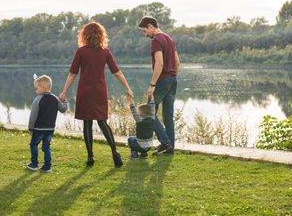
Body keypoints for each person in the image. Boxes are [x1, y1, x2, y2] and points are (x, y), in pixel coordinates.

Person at [59, 22, 134, 168]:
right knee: (102, 121)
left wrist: (64, 92)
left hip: (85, 92)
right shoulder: (105, 52)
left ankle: (90, 157)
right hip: (100, 91)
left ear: (84, 35)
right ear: (101, 35)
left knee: (87, 123)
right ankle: (115, 153)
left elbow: (72, 74)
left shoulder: (81, 52)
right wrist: (128, 88)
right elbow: (117, 72)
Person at [138, 16, 180, 155]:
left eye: (145, 31)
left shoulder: (157, 40)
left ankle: (165, 142)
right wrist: (173, 76)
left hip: (162, 81)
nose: (145, 35)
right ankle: (170, 147)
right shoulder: (169, 38)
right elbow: (177, 62)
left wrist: (152, 84)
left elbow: (159, 63)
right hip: (173, 79)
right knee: (168, 116)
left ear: (150, 26)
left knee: (147, 112)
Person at [26, 75, 68, 173]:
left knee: (33, 144)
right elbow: (63, 109)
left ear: (43, 88)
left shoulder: (38, 99)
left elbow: (33, 116)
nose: (36, 90)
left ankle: (34, 164)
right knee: (46, 147)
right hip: (50, 129)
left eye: (37, 88)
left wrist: (30, 128)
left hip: (38, 129)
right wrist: (64, 101)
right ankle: (47, 166)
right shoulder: (55, 99)